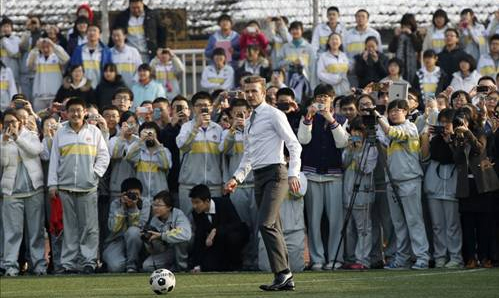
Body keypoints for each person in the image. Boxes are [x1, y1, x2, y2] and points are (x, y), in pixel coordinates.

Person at [224, 75, 302, 291]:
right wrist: (236, 178)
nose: (250, 95)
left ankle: (283, 274)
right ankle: (285, 277)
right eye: (247, 91)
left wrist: (294, 173)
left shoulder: (274, 114)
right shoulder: (250, 120)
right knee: (272, 225)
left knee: (265, 224)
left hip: (277, 173)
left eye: (254, 91)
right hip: (258, 176)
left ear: (264, 92)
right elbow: (248, 156)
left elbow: (294, 145)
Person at [47, 97, 110, 274]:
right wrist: (52, 184)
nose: (75, 114)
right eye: (72, 110)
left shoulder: (94, 132)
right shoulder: (61, 132)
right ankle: (68, 264)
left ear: (84, 113)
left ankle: (89, 261)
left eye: (78, 110)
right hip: (65, 187)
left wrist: (94, 174)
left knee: (89, 227)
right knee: (69, 228)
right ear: (66, 113)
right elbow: (54, 160)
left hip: (88, 188)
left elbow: (104, 156)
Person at [297, 84, 348, 270]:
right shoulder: (308, 117)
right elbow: (302, 140)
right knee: (314, 220)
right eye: (319, 96)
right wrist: (308, 118)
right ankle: (317, 258)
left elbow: (343, 142)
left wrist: (330, 118)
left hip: (334, 175)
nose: (322, 100)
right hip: (311, 174)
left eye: (326, 97)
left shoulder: (341, 119)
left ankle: (335, 258)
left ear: (332, 99)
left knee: (336, 221)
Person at [374, 99, 430, 270]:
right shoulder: (390, 128)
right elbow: (384, 134)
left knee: (414, 221)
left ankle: (422, 258)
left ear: (406, 112)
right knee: (398, 223)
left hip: (410, 180)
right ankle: (402, 259)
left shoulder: (410, 127)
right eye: (391, 110)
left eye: (398, 110)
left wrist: (377, 115)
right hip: (393, 181)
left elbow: (392, 133)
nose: (394, 113)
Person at [451, 107, 499, 269]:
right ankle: (470, 258)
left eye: (464, 117)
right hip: (466, 186)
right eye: (458, 118)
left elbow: (480, 148)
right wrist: (458, 140)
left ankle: (485, 257)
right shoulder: (458, 136)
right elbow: (457, 159)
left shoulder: (480, 131)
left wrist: (468, 133)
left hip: (483, 185)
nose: (461, 121)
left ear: (471, 118)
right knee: (467, 224)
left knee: (484, 224)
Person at [1, 109, 46, 276]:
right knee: (12, 233)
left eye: (13, 121)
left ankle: (39, 266)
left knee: (36, 232)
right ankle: (10, 267)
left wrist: (17, 138)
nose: (10, 125)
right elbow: (3, 162)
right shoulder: (2, 140)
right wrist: (5, 143)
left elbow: (35, 151)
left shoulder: (30, 135)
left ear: (19, 122)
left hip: (34, 190)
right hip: (12, 192)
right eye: (6, 123)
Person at [420, 108, 464, 269]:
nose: (444, 125)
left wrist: (450, 139)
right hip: (434, 185)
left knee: (453, 224)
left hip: (452, 186)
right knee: (437, 225)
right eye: (442, 122)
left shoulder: (459, 138)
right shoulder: (435, 140)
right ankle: (439, 256)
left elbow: (459, 158)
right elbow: (425, 157)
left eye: (448, 122)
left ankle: (455, 257)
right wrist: (426, 135)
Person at [219, 97, 258, 269]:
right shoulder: (228, 133)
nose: (241, 116)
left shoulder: (257, 130)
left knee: (258, 225)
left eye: (244, 113)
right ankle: (244, 260)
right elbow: (223, 149)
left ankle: (257, 259)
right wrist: (233, 129)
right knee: (242, 226)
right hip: (238, 187)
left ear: (250, 113)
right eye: (236, 114)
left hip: (256, 184)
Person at [176, 91, 223, 215]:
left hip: (214, 186)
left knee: (213, 222)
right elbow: (182, 146)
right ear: (192, 108)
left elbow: (223, 158)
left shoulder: (218, 129)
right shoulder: (186, 127)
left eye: (206, 105)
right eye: (199, 105)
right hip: (189, 185)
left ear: (211, 107)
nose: (203, 108)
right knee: (189, 223)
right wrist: (196, 127)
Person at [342, 117, 378, 270]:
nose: (356, 134)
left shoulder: (371, 148)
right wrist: (351, 151)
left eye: (359, 131)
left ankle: (363, 260)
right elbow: (343, 164)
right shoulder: (348, 147)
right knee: (349, 229)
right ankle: (350, 258)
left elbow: (365, 169)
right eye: (354, 131)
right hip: (347, 194)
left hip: (363, 194)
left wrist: (357, 152)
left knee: (364, 229)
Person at [190, 184, 249, 272]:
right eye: (193, 202)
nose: (194, 206)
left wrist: (216, 230)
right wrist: (196, 265)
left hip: (233, 238)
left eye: (197, 202)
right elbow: (199, 237)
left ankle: (236, 266)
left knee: (233, 238)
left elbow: (237, 224)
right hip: (217, 243)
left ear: (207, 201)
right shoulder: (196, 213)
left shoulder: (224, 203)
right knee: (208, 266)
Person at [126, 121, 172, 223]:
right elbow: (129, 157)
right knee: (140, 223)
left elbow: (166, 165)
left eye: (152, 133)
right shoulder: (139, 151)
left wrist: (157, 143)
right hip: (142, 196)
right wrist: (140, 141)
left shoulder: (164, 151)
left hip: (160, 197)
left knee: (159, 224)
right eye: (145, 133)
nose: (149, 135)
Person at [142, 190, 191, 272]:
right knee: (147, 266)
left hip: (184, 250)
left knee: (180, 241)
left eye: (159, 205)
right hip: (168, 251)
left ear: (169, 207)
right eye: (154, 205)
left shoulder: (178, 214)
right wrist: (149, 242)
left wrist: (162, 235)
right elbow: (157, 250)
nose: (155, 208)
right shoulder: (154, 220)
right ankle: (172, 270)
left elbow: (186, 235)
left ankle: (182, 269)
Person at [102, 178, 143, 273]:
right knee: (116, 267)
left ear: (141, 194)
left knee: (133, 231)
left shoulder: (144, 203)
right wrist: (123, 208)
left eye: (136, 195)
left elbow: (139, 227)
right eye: (130, 194)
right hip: (116, 240)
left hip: (136, 241)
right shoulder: (115, 204)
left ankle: (132, 265)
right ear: (123, 194)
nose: (133, 197)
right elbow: (113, 228)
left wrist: (133, 208)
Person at [159, 96, 190, 201]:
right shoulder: (166, 130)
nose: (181, 111)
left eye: (184, 108)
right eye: (177, 108)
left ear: (189, 111)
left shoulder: (195, 127)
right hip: (173, 179)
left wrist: (187, 125)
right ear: (171, 111)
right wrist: (172, 124)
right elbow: (164, 144)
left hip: (192, 177)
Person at [26, 38, 70, 112]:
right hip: (39, 95)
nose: (46, 50)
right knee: (40, 117)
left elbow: (66, 59)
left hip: (55, 95)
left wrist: (53, 45)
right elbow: (29, 65)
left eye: (48, 47)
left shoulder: (57, 58)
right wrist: (36, 48)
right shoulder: (37, 58)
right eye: (43, 47)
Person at [277, 21, 316, 95]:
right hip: (288, 82)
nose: (295, 31)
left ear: (302, 30)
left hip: (305, 82)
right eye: (292, 29)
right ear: (290, 31)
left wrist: (312, 86)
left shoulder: (309, 48)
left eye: (297, 29)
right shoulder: (285, 47)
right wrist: (290, 62)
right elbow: (278, 64)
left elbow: (313, 68)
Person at [108, 111, 139, 203]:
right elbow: (115, 155)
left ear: (137, 124)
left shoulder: (139, 141)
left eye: (132, 123)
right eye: (127, 123)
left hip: (135, 186)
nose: (130, 126)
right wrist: (122, 137)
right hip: (117, 186)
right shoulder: (114, 140)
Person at [70, 24, 112, 89]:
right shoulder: (78, 50)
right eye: (89, 30)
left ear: (99, 34)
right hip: (82, 88)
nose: (92, 33)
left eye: (94, 30)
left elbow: (110, 70)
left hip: (100, 87)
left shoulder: (106, 51)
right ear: (86, 34)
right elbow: (73, 68)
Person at [388, 13, 423, 85]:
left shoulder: (416, 34)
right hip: (399, 64)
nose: (406, 27)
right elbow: (391, 49)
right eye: (404, 25)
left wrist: (411, 35)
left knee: (412, 84)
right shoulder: (398, 34)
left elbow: (419, 47)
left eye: (408, 25)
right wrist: (396, 37)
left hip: (414, 65)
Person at [0, 17, 21, 83]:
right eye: (3, 27)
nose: (6, 29)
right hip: (2, 72)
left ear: (11, 28)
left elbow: (14, 52)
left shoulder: (16, 39)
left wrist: (4, 40)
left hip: (14, 72)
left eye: (8, 26)